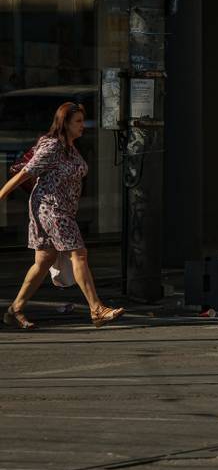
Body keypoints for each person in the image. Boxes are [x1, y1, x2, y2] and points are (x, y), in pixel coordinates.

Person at [0, 102, 125, 329]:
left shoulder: (70, 147)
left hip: (62, 210)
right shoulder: (53, 147)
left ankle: (15, 309)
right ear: (65, 123)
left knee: (44, 260)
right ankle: (96, 308)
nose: (82, 126)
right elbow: (25, 174)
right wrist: (1, 195)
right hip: (51, 209)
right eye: (77, 121)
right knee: (79, 255)